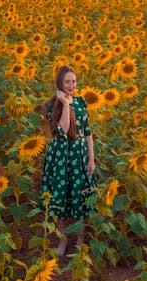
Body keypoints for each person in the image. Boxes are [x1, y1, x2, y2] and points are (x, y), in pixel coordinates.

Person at [41, 65, 96, 256]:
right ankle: (63, 240)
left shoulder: (81, 103)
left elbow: (87, 133)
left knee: (80, 198)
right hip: (60, 157)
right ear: (59, 83)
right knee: (59, 198)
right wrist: (64, 104)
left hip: (79, 156)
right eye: (67, 82)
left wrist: (92, 158)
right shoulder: (50, 106)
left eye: (74, 81)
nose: (71, 85)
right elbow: (63, 130)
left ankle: (80, 240)